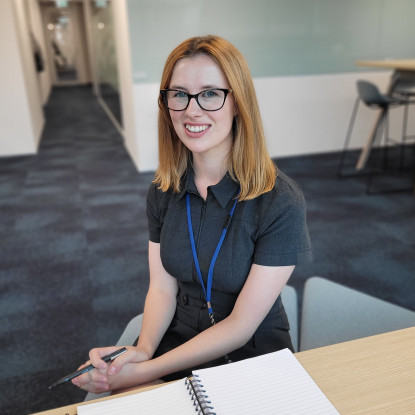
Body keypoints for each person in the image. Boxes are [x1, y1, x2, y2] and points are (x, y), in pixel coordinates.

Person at [72, 35, 312, 394]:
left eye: (211, 94)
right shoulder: (162, 190)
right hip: (175, 336)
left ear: (238, 103)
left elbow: (242, 325)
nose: (191, 110)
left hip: (249, 351)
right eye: (179, 94)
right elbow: (162, 288)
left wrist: (145, 371)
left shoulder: (280, 200)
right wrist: (143, 349)